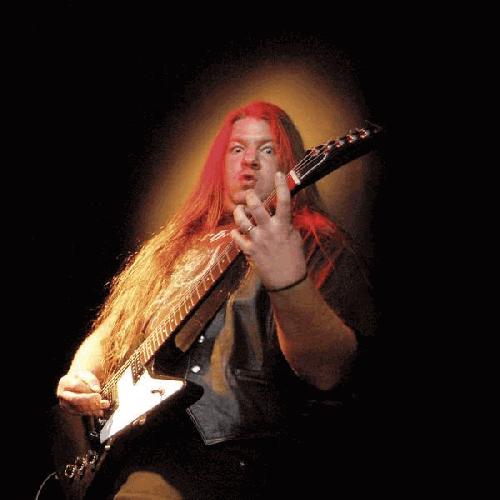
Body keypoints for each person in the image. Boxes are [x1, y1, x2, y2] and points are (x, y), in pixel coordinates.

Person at [55, 101, 377, 499]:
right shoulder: (172, 248)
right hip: (131, 454)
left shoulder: (313, 241)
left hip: (234, 461)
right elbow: (110, 332)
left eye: (267, 149)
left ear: (288, 164)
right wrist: (81, 373)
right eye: (237, 148)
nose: (250, 161)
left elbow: (330, 370)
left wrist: (288, 283)